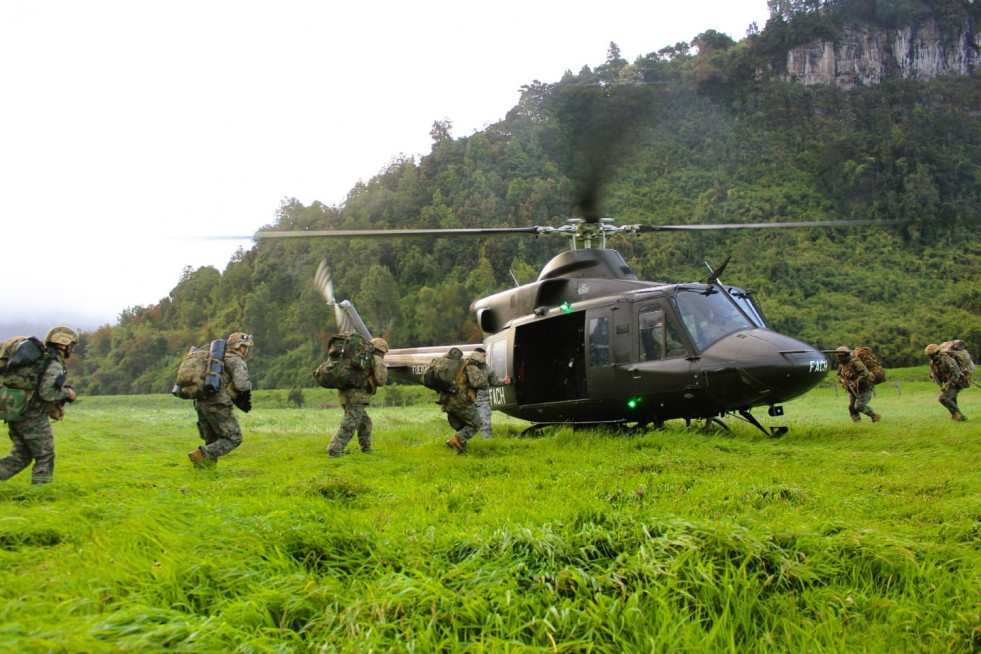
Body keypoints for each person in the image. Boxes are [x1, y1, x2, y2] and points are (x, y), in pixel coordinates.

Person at [0, 326, 78, 485]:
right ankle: (40, 494)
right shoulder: (52, 363)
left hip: (15, 411)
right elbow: (46, 393)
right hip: (33, 416)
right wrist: (68, 393)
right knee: (45, 456)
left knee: (21, 456)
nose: (72, 350)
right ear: (63, 344)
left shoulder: (35, 360)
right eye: (71, 346)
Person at [188, 332, 254, 468]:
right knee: (234, 438)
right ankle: (202, 454)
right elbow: (241, 385)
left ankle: (205, 474)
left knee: (212, 440)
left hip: (201, 403)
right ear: (241, 347)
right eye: (246, 347)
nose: (246, 351)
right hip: (218, 404)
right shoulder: (236, 360)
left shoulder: (213, 360)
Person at [328, 337, 389, 457]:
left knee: (365, 423)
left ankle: (366, 448)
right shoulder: (376, 359)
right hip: (357, 397)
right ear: (382, 349)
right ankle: (334, 450)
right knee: (349, 425)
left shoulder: (358, 357)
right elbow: (381, 380)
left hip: (344, 394)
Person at [440, 348, 489, 454]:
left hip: (446, 403)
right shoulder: (471, 367)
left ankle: (460, 449)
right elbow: (477, 383)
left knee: (463, 426)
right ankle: (456, 440)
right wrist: (485, 381)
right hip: (461, 403)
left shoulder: (454, 367)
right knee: (476, 424)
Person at [471, 347, 511, 439]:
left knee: (486, 426)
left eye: (485, 357)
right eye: (483, 356)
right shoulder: (467, 368)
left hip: (483, 402)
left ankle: (488, 444)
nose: (484, 359)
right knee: (468, 426)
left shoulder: (487, 368)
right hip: (469, 401)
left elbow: (494, 381)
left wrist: (504, 382)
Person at [835, 346, 881, 423]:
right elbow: (839, 375)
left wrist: (855, 383)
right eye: (839, 356)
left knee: (859, 406)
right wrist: (842, 380)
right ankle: (857, 423)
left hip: (865, 387)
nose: (840, 358)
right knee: (851, 407)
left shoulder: (855, 362)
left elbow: (865, 374)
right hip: (853, 389)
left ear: (846, 355)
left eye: (842, 356)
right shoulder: (842, 365)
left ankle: (874, 416)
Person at [925, 343, 967, 421]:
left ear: (937, 352)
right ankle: (955, 416)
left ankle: (959, 415)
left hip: (957, 381)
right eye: (930, 356)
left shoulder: (947, 359)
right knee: (951, 399)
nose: (931, 357)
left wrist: (947, 385)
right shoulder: (933, 362)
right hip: (949, 381)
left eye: (932, 355)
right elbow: (936, 372)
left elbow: (956, 374)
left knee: (942, 398)